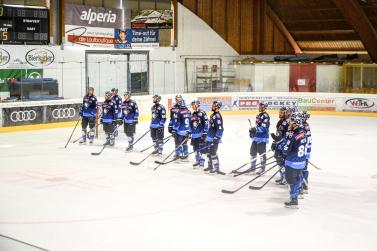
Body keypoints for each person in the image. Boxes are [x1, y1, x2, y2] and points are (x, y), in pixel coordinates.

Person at [281, 112, 308, 208]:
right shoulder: (303, 134)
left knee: (290, 180)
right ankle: (297, 196)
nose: (290, 123)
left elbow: (285, 150)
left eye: (292, 122)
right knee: (297, 179)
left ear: (296, 123)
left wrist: (279, 147)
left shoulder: (293, 136)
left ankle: (293, 200)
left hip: (292, 162)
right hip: (301, 162)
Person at [271, 106, 291, 184]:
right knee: (278, 159)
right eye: (280, 112)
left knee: (282, 161)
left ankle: (286, 177)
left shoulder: (287, 123)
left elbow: (287, 136)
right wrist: (275, 142)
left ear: (286, 113)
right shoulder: (280, 122)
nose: (280, 114)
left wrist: (279, 143)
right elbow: (278, 134)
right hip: (279, 144)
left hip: (283, 146)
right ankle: (282, 176)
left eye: (282, 112)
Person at [249, 102, 270, 175]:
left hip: (262, 138)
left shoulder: (266, 116)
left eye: (261, 106)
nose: (259, 107)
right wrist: (253, 133)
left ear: (264, 108)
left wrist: (255, 130)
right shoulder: (258, 115)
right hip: (256, 137)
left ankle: (262, 168)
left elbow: (264, 128)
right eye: (259, 106)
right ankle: (253, 167)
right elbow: (257, 126)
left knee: (261, 153)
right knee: (252, 152)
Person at [204, 100, 224, 175]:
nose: (212, 106)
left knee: (213, 153)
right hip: (209, 137)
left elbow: (220, 129)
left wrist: (217, 138)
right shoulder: (213, 115)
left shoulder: (217, 116)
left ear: (217, 107)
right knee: (207, 152)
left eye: (214, 105)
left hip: (213, 138)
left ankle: (216, 168)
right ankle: (210, 166)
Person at [190, 100, 208, 168]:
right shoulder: (193, 114)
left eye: (193, 105)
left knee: (202, 149)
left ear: (197, 105)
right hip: (194, 135)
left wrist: (204, 132)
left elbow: (206, 123)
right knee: (195, 148)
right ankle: (197, 160)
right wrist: (189, 132)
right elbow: (191, 124)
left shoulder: (202, 113)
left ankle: (202, 162)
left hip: (201, 135)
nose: (192, 107)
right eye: (192, 105)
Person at [300, 111, 312, 193]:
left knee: (301, 169)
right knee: (304, 168)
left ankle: (301, 186)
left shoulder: (303, 126)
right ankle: (304, 185)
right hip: (306, 151)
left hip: (303, 152)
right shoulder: (306, 125)